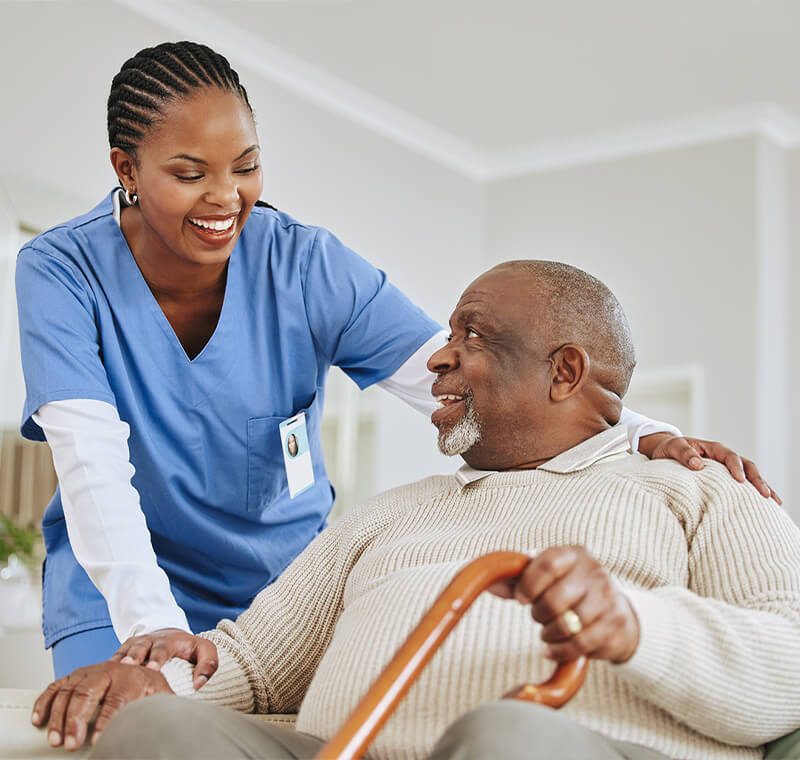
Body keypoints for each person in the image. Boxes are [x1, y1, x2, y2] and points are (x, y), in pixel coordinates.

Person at [16, 41, 774, 681]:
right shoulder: (61, 272)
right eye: (190, 174)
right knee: (128, 732)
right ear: (126, 169)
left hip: (279, 596)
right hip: (119, 586)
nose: (227, 198)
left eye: (245, 166)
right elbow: (91, 464)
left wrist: (638, 431)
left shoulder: (304, 266)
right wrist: (151, 626)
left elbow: (462, 379)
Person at [31, 261, 800, 759]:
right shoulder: (388, 514)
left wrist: (638, 626)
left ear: (565, 371)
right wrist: (151, 682)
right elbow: (255, 666)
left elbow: (791, 663)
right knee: (157, 729)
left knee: (509, 737)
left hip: (567, 747)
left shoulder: (698, 488)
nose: (437, 355)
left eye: (473, 335)